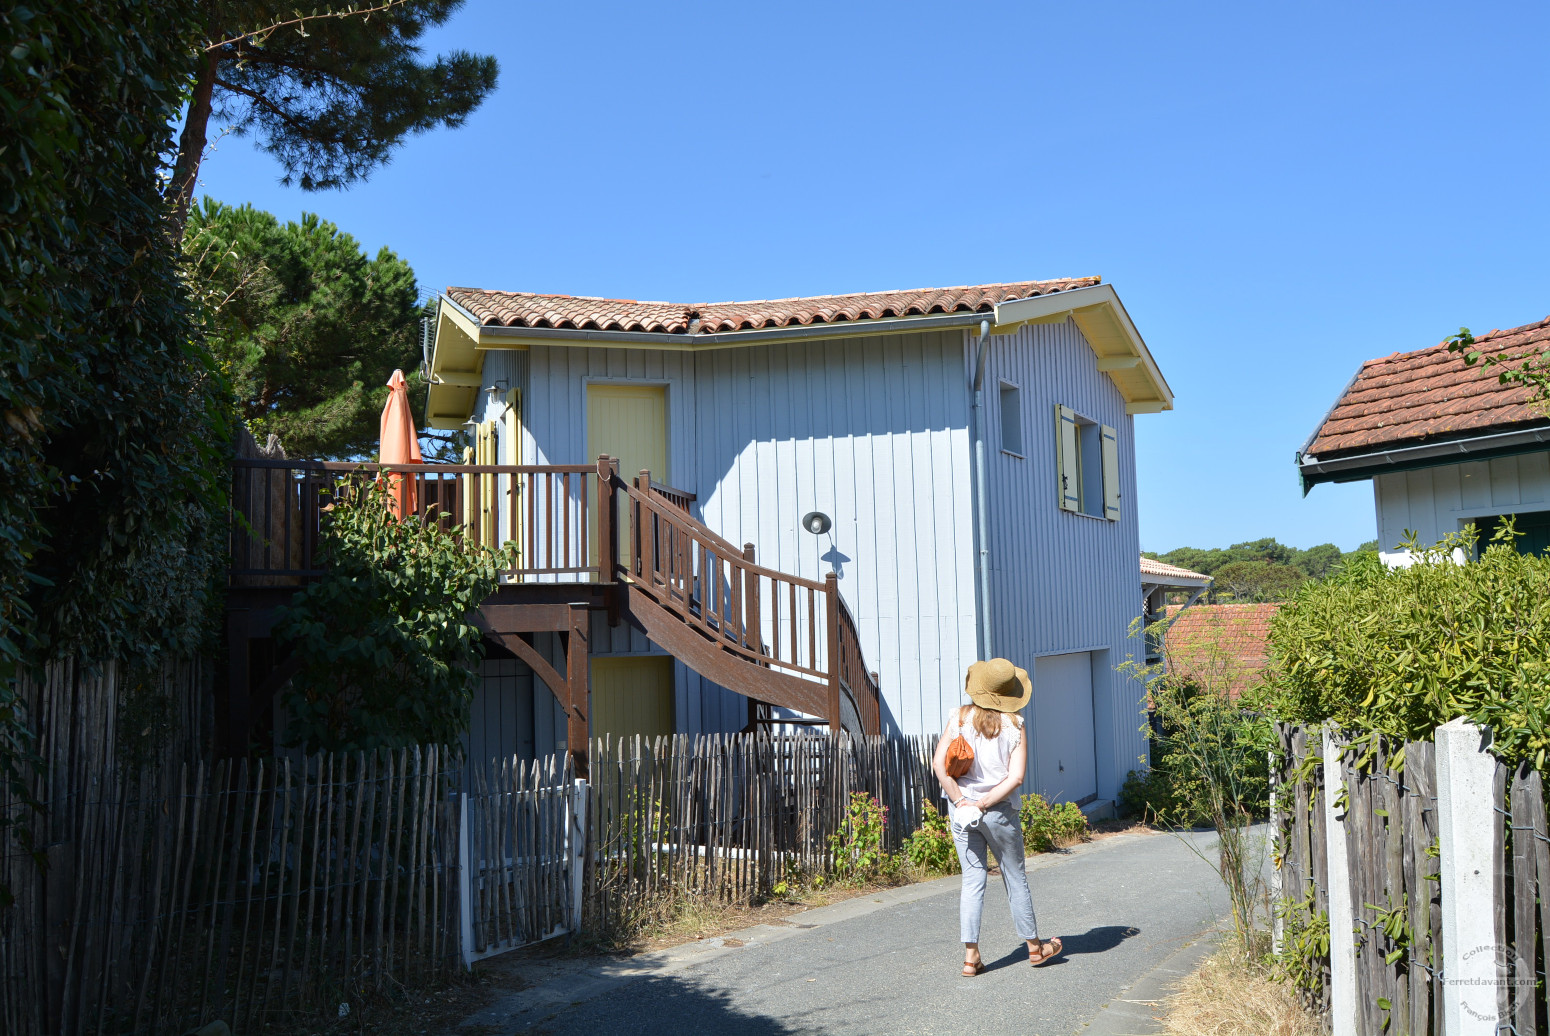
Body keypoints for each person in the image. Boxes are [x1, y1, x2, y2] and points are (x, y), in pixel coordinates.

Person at [932, 658, 1062, 976]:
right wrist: (986, 801)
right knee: (1015, 878)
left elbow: (938, 765)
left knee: (972, 880)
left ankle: (970, 957)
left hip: (962, 812)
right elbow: (1016, 778)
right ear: (1008, 694)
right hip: (999, 811)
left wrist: (962, 800)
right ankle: (1035, 948)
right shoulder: (1014, 725)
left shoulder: (958, 718)